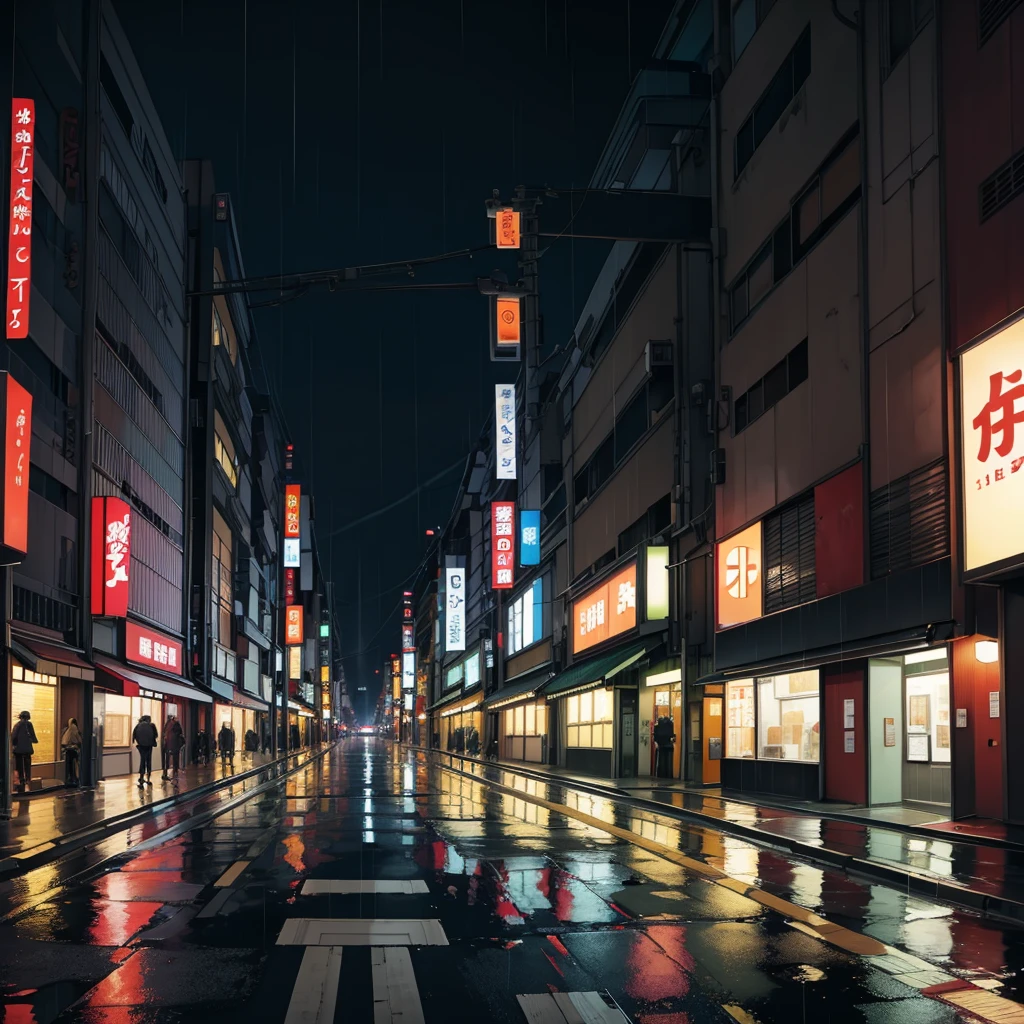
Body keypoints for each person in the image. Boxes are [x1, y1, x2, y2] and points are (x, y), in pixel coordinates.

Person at [11, 710, 38, 793]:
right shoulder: (29, 724)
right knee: (27, 765)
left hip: (18, 750)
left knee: (19, 766)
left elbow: (13, 736)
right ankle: (28, 779)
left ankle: (21, 780)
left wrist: (14, 745)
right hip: (27, 749)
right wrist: (34, 740)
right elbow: (33, 736)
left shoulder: (17, 725)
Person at [132, 714, 158, 787]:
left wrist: (139, 742)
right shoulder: (151, 726)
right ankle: (149, 779)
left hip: (141, 746)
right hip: (149, 746)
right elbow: (156, 735)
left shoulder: (138, 725)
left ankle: (141, 778)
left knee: (142, 761)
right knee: (148, 761)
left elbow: (134, 735)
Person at [61, 717, 83, 787]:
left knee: (69, 766)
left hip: (67, 750)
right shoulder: (76, 729)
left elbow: (63, 742)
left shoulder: (66, 730)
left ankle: (69, 779)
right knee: (75, 765)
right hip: (75, 750)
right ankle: (75, 778)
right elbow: (79, 740)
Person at [653, 714, 676, 779]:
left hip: (661, 744)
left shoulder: (658, 725)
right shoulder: (671, 724)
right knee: (669, 761)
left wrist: (656, 742)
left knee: (661, 760)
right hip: (669, 744)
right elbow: (672, 734)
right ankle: (669, 774)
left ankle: (661, 774)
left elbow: (655, 735)